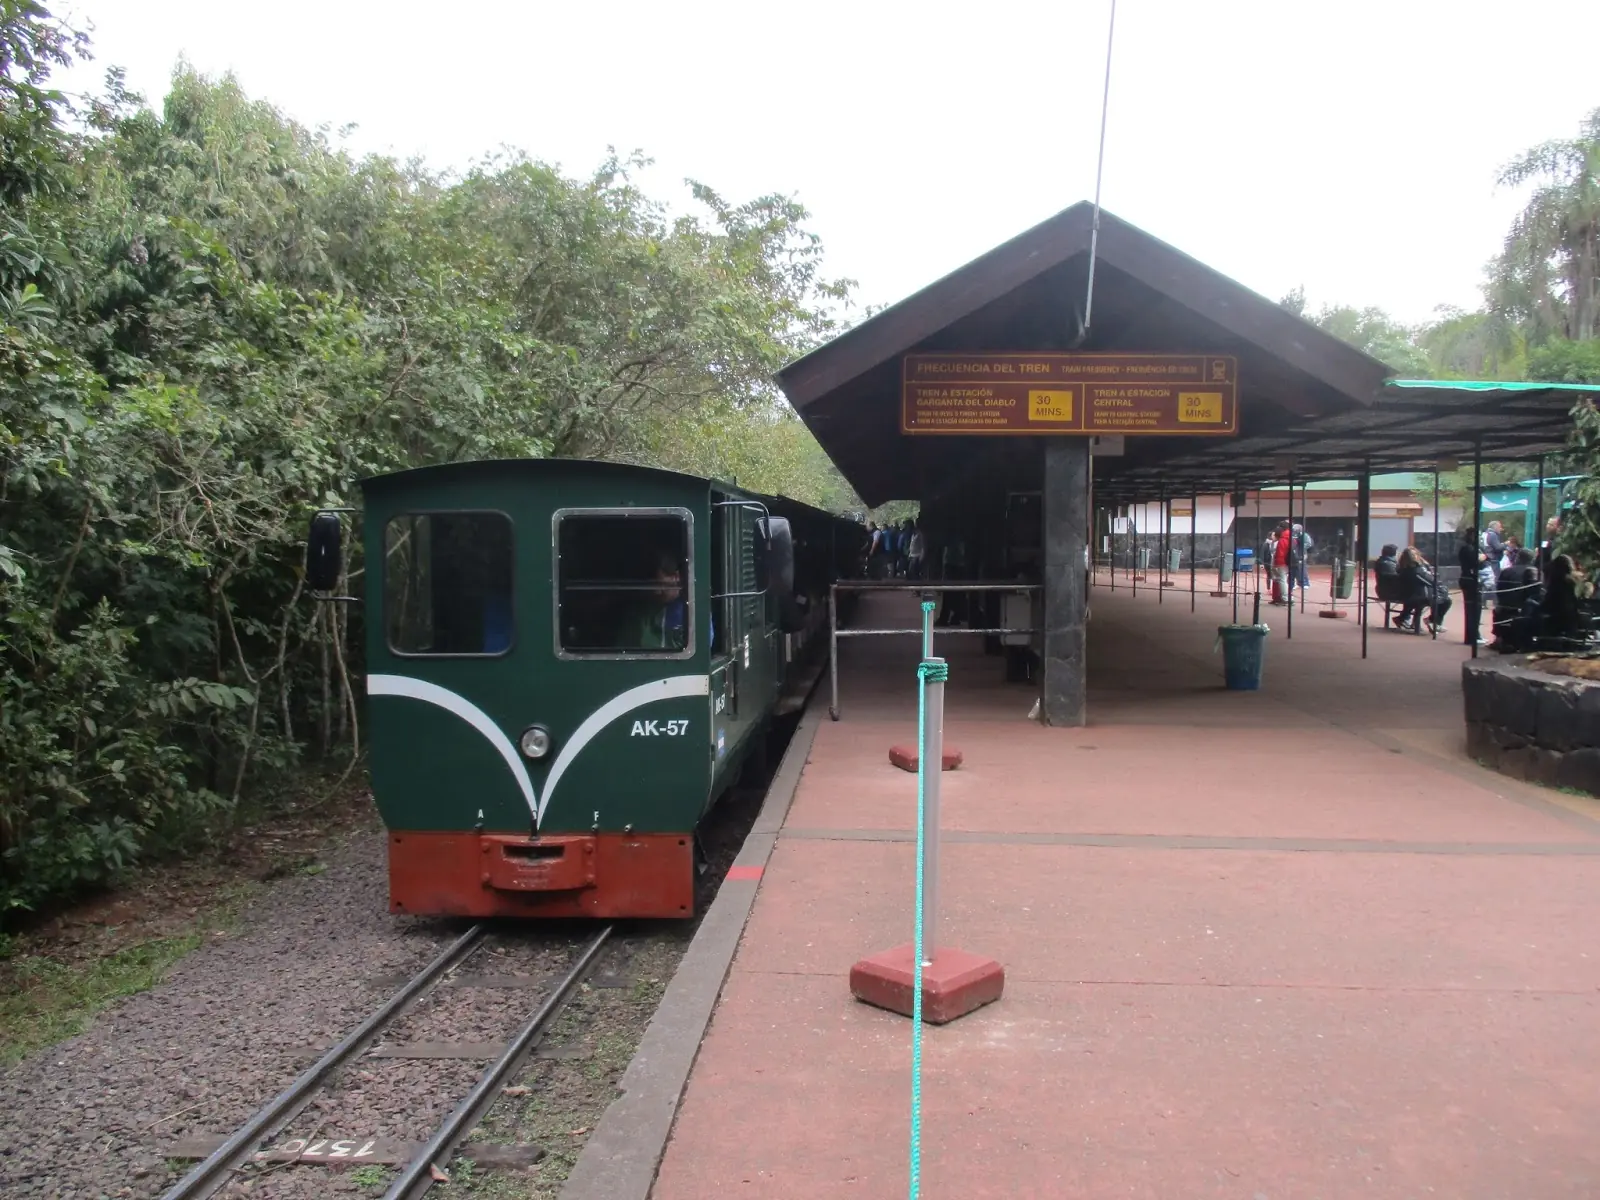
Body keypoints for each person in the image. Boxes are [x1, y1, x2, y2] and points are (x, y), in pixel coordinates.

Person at [630, 551, 688, 650]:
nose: (657, 592)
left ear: (676, 577)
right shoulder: (637, 613)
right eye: (653, 586)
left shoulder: (693, 611)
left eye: (661, 585)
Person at [1456, 526, 1490, 646]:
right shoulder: (1468, 548)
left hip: (1471, 579)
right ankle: (1472, 636)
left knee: (1475, 609)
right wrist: (1481, 559)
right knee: (1473, 609)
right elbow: (1474, 563)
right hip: (1470, 579)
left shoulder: (1472, 548)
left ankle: (1475, 634)